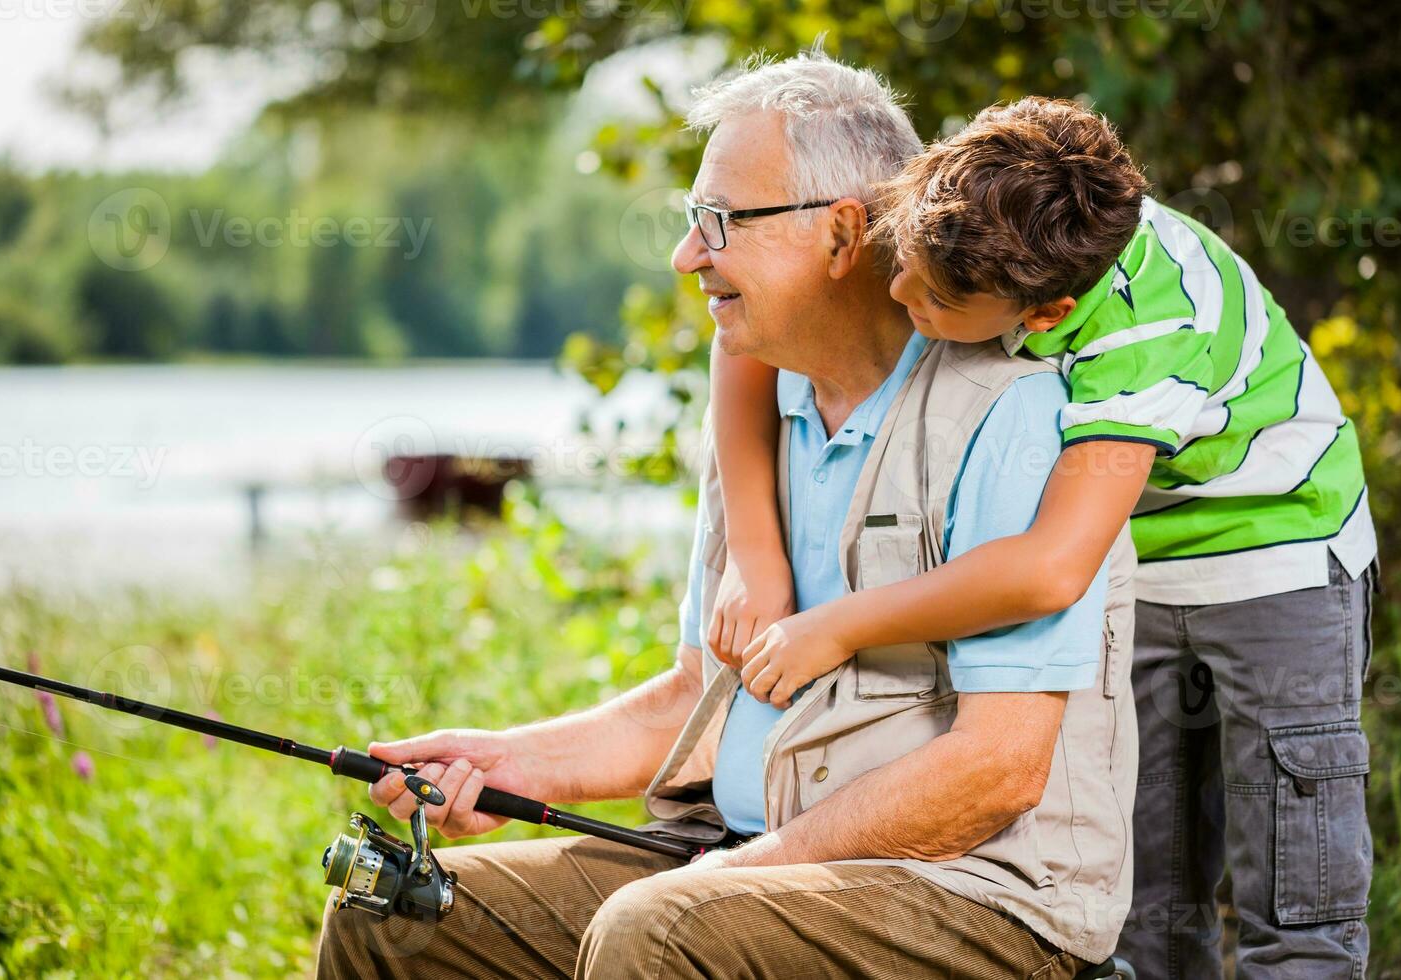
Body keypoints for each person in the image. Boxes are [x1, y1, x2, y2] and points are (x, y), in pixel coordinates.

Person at [316, 52, 1136, 980]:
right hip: (741, 855)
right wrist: (514, 762)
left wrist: (745, 872)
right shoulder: (760, 403)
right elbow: (695, 695)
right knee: (392, 918)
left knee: (652, 930)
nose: (687, 255)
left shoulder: (1013, 418)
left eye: (719, 223)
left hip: (978, 898)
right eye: (689, 220)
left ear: (840, 235)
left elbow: (998, 767)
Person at [709, 95, 1379, 976]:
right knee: (1147, 893)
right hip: (1134, 559)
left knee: (1294, 901)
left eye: (933, 302)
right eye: (900, 263)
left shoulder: (1147, 333)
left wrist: (839, 623)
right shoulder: (967, 209)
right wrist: (755, 559)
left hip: (1276, 557)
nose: (897, 290)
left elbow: (1050, 569)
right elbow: (747, 328)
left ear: (1049, 313)